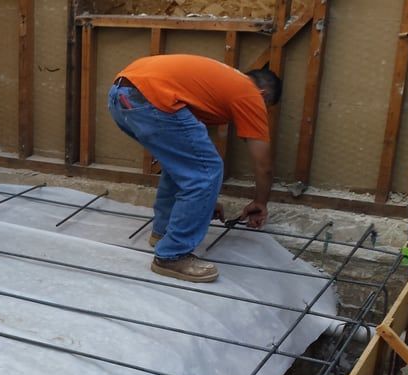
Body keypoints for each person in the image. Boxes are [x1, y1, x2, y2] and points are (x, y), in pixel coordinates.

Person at [108, 54, 281, 283]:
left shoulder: (221, 84)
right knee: (207, 171)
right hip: (151, 98)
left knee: (181, 166)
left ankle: (163, 233)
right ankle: (172, 255)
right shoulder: (250, 94)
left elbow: (191, 158)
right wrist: (260, 202)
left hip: (121, 95)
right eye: (265, 107)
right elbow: (263, 164)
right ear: (264, 95)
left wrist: (205, 201)